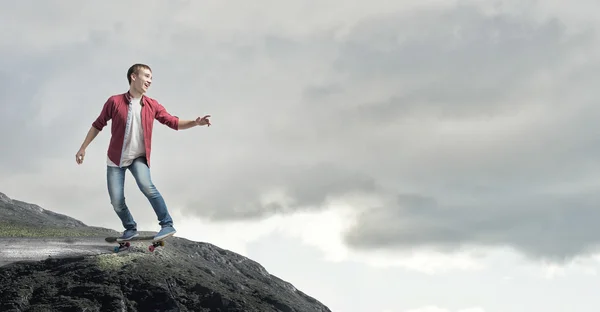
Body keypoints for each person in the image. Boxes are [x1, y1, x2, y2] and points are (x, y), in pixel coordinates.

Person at [75, 63, 211, 242]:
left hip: (138, 157)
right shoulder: (114, 102)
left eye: (151, 78)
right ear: (133, 76)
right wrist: (83, 147)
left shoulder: (152, 105)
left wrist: (195, 122)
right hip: (115, 159)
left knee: (147, 186)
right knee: (116, 201)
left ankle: (167, 224)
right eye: (146, 76)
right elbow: (97, 124)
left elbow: (173, 122)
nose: (149, 81)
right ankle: (130, 229)